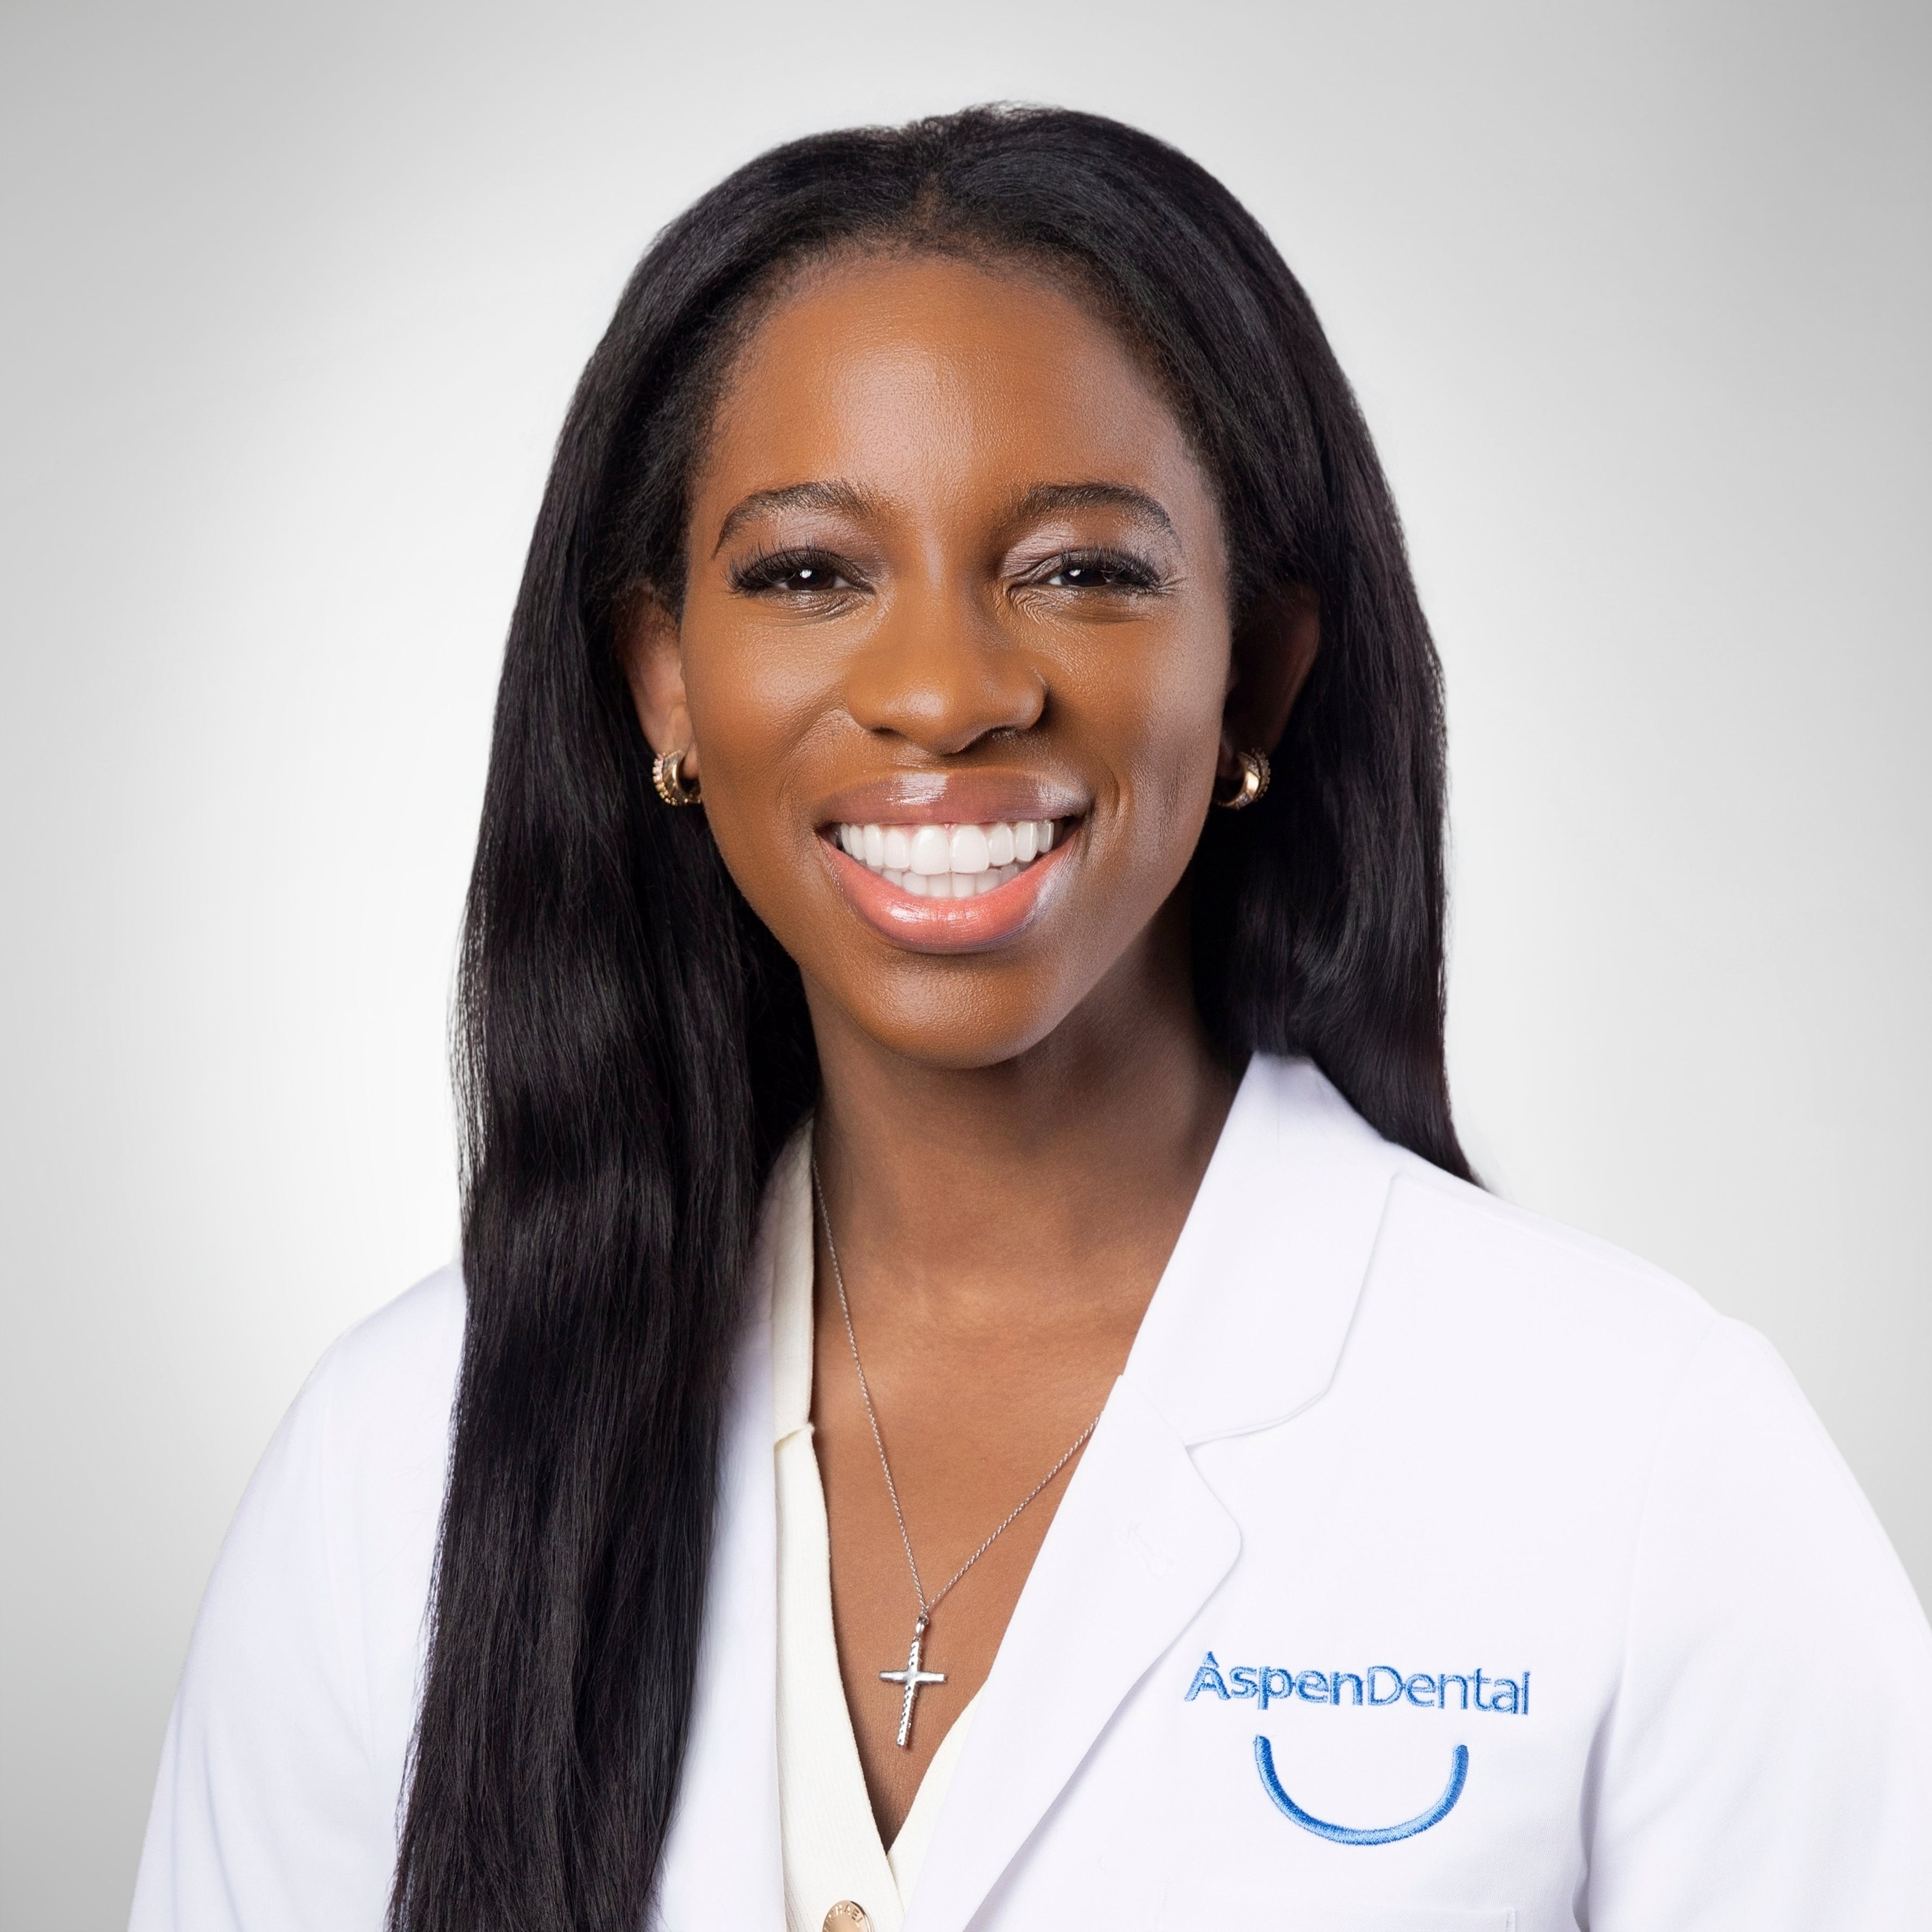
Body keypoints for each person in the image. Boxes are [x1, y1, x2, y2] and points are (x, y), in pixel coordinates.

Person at [128, 106, 1932, 1932]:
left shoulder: (1648, 1464)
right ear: (663, 681)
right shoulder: (396, 1458)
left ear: (1256, 675)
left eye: (1081, 570)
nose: (944, 692)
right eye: (809, 574)